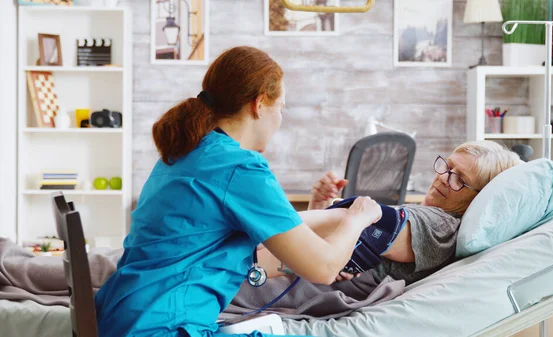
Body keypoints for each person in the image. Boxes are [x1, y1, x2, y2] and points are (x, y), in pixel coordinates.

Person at [93, 46, 382, 337]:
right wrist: (357, 217)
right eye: (281, 108)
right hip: (161, 328)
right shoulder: (238, 168)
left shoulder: (187, 153)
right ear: (259, 104)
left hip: (125, 318)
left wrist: (320, 212)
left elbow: (255, 242)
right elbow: (323, 269)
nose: (280, 120)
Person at [259, 140, 522, 284]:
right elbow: (328, 240)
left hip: (257, 273)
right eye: (447, 167)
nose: (444, 178)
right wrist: (318, 205)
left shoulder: (442, 225)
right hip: (265, 271)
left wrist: (259, 226)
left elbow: (365, 225)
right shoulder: (422, 213)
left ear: (477, 197)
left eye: (459, 179)